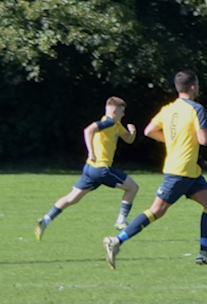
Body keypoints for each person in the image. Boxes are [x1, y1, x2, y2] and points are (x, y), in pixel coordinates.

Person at [105, 72, 207, 268]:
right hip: (181, 171)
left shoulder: (168, 109)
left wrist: (172, 141)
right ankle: (116, 240)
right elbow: (204, 139)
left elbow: (149, 131)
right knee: (156, 210)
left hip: (190, 170)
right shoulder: (196, 109)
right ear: (193, 87)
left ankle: (204, 252)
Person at [37, 98, 140, 239]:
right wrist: (91, 152)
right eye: (122, 112)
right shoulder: (108, 122)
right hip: (101, 169)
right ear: (114, 112)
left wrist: (132, 133)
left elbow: (128, 139)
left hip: (90, 169)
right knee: (132, 188)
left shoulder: (116, 124)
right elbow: (88, 130)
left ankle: (45, 220)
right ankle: (121, 221)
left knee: (72, 198)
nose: (123, 115)